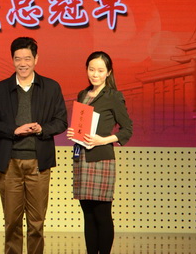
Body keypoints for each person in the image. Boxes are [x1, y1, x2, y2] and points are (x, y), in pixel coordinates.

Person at [0, 36, 68, 254]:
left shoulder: (51, 87)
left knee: (36, 223)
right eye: (18, 59)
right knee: (11, 222)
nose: (23, 64)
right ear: (12, 60)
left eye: (27, 58)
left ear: (36, 59)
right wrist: (13, 130)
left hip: (39, 163)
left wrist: (41, 129)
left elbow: (61, 121)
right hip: (9, 163)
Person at [66, 51, 133, 254]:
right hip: (82, 157)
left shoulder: (113, 96)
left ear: (108, 73)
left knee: (102, 214)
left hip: (101, 159)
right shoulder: (83, 94)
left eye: (100, 70)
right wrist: (74, 133)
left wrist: (103, 140)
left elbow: (127, 129)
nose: (95, 74)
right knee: (87, 214)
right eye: (91, 69)